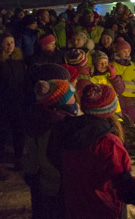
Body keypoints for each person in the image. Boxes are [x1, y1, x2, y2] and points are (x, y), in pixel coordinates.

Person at [47, 83, 135, 218]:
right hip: (104, 209)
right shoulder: (109, 142)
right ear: (110, 108)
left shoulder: (63, 129)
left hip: (73, 205)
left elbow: (53, 158)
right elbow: (123, 182)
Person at [24, 79, 78, 219]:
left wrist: (31, 173)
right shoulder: (63, 125)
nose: (75, 97)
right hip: (60, 183)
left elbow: (32, 155)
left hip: (45, 182)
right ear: (62, 102)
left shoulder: (39, 118)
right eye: (72, 95)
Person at [0, 32, 30, 171]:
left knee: (19, 130)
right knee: (3, 131)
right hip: (4, 103)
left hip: (19, 101)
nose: (9, 46)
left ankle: (18, 158)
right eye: (6, 43)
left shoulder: (19, 59)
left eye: (11, 42)